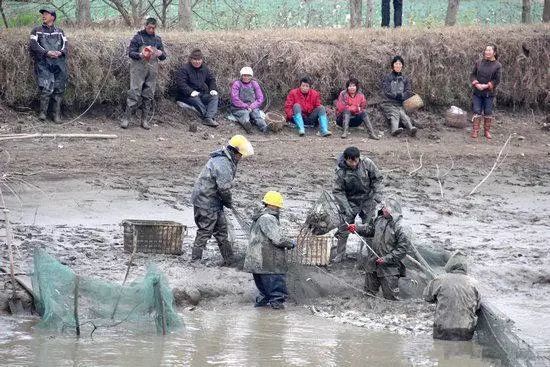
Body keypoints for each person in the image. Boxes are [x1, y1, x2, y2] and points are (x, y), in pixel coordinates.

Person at [190, 135, 254, 265]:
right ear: (235, 152)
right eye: (240, 155)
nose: (241, 158)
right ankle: (195, 260)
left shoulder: (224, 159)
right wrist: (228, 202)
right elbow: (224, 188)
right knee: (205, 230)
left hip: (214, 201)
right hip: (205, 201)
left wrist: (225, 202)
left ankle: (229, 260)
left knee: (222, 232)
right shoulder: (223, 163)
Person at [346, 197, 410, 300]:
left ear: (392, 211)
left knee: (391, 299)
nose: (383, 209)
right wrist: (357, 228)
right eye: (383, 207)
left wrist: (386, 259)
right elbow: (370, 229)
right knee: (368, 296)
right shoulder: (379, 219)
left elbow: (402, 250)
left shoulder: (401, 227)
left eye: (385, 208)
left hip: (390, 269)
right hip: (373, 264)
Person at [244, 191, 295, 310]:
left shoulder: (259, 217)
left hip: (256, 262)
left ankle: (261, 315)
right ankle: (278, 318)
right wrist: (291, 243)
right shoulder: (268, 218)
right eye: (278, 207)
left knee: (264, 295)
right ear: (275, 206)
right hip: (268, 263)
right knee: (276, 296)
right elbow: (278, 239)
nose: (279, 209)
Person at [332, 146, 383, 263]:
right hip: (350, 201)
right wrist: (345, 207)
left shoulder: (367, 163)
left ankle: (371, 255)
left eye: (356, 160)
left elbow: (377, 179)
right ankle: (340, 255)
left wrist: (377, 196)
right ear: (346, 159)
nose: (354, 163)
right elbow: (338, 191)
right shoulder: (340, 171)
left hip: (368, 199)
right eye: (351, 161)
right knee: (344, 227)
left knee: (369, 227)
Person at [423, 251, 482, 340]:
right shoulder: (474, 283)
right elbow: (477, 306)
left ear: (449, 265)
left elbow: (427, 297)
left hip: (442, 330)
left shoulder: (439, 280)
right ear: (465, 267)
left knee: (440, 350)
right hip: (465, 331)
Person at [121, 17, 167, 130]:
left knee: (149, 93)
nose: (151, 30)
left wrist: (160, 53)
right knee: (134, 92)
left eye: (153, 28)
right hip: (138, 68)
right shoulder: (137, 38)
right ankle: (126, 118)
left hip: (152, 69)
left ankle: (144, 120)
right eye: (149, 27)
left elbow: (163, 57)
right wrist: (140, 55)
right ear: (145, 25)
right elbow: (130, 53)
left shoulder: (157, 39)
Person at [29, 8, 68, 124]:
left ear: (53, 17)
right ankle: (43, 113)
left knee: (59, 88)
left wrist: (60, 52)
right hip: (44, 63)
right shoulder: (36, 30)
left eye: (46, 14)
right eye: (43, 14)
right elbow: (33, 45)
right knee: (47, 87)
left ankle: (56, 115)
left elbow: (66, 45)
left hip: (59, 63)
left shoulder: (60, 31)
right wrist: (47, 52)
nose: (43, 16)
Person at [176, 49, 219, 127]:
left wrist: (213, 89)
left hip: (200, 93)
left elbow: (211, 79)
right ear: (191, 59)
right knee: (195, 99)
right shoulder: (184, 69)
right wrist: (190, 92)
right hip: (186, 95)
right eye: (195, 59)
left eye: (199, 60)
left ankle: (208, 118)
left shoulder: (205, 68)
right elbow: (181, 83)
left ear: (202, 60)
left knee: (214, 96)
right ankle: (207, 116)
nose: (197, 62)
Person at [380, 55, 418, 137]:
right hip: (388, 103)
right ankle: (394, 130)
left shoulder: (405, 78)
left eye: (400, 64)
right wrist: (397, 95)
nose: (398, 66)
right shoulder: (388, 77)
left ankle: (411, 129)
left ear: (402, 66)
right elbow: (386, 91)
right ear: (393, 65)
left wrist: (402, 96)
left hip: (399, 104)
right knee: (395, 113)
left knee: (403, 114)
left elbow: (408, 91)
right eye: (396, 64)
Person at [470, 45, 502, 140]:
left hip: (489, 93)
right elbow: (473, 75)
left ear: (494, 53)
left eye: (489, 50)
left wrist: (487, 85)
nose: (487, 52)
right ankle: (475, 130)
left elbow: (497, 80)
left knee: (488, 111)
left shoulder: (497, 65)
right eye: (486, 50)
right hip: (477, 92)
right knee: (476, 110)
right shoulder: (478, 63)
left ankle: (487, 131)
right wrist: (476, 84)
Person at [230, 67, 267, 134]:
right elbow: (235, 99)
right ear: (241, 76)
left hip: (252, 106)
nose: (246, 77)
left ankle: (264, 127)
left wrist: (252, 106)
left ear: (251, 76)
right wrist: (246, 106)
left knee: (256, 115)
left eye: (248, 76)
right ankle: (248, 127)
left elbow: (260, 98)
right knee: (245, 115)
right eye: (244, 75)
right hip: (238, 107)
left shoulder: (254, 84)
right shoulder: (237, 84)